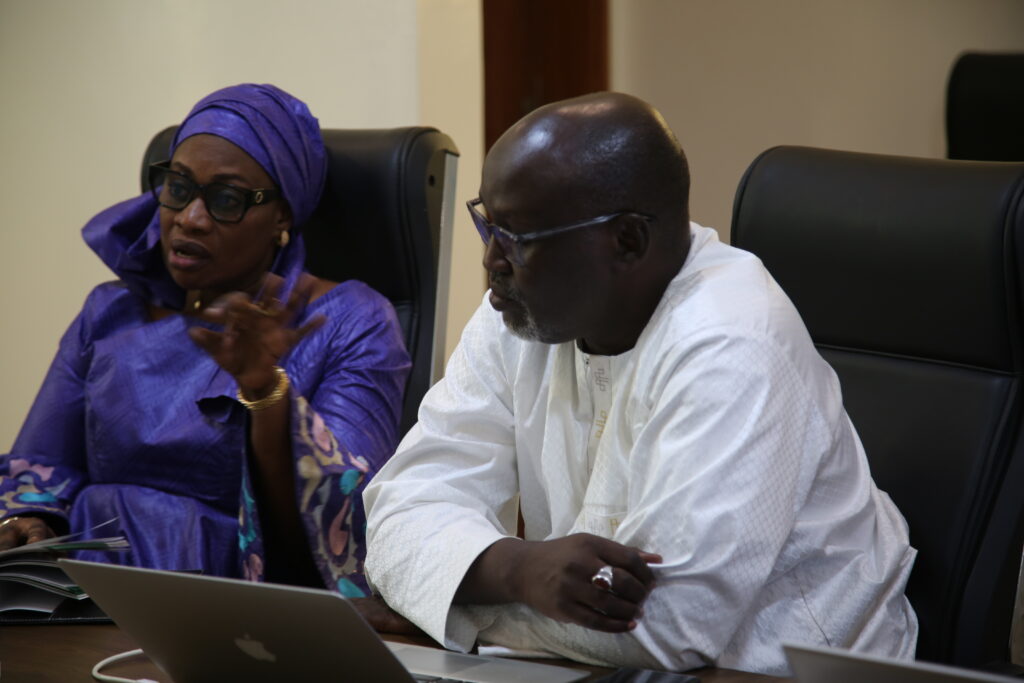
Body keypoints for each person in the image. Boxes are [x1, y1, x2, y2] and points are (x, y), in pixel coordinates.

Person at [363, 92, 918, 674]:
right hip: (596, 668)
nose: (492, 262)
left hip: (780, 670)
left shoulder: (733, 340)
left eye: (519, 240)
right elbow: (400, 511)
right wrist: (517, 569)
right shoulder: (520, 315)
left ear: (627, 240)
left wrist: (450, 605)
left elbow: (665, 628)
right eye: (489, 226)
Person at [0, 84, 410, 602]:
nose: (190, 218)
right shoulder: (109, 311)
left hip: (227, 608)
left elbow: (347, 525)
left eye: (226, 199)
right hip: (79, 592)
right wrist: (29, 520)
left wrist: (266, 394)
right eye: (178, 186)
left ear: (282, 216)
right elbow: (39, 467)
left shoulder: (350, 320)